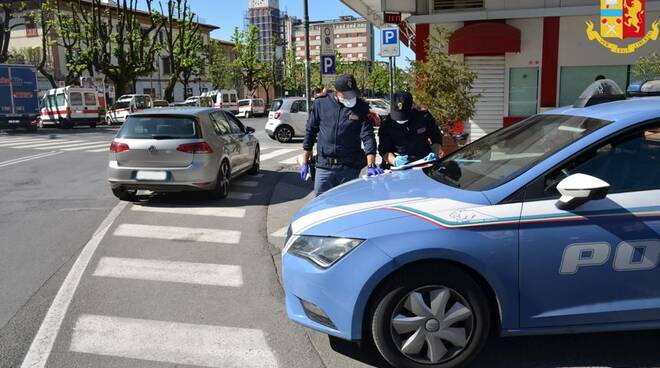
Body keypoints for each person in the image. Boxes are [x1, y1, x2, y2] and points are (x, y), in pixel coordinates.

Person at [301, 74, 383, 196]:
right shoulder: (321, 103)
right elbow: (310, 131)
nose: (351, 97)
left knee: (348, 206)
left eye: (353, 93)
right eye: (347, 94)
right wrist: (305, 160)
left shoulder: (361, 107)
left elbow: (368, 136)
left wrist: (371, 163)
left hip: (349, 167)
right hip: (324, 166)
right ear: (337, 92)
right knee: (321, 206)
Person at [378, 92, 444, 168]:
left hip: (424, 161)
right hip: (400, 164)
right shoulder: (386, 124)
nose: (400, 120)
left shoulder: (423, 117)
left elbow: (436, 137)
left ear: (411, 107)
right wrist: (395, 161)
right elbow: (384, 150)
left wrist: (434, 152)